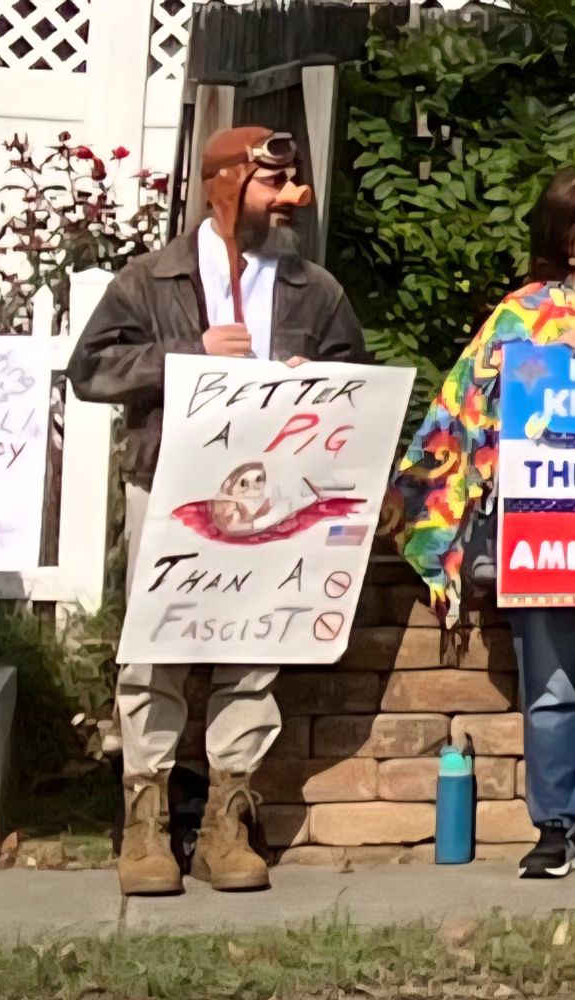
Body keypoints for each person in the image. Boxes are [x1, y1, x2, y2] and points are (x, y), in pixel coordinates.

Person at [66, 125, 372, 896]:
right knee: (153, 650)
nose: (288, 199)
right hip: (169, 486)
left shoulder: (314, 288)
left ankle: (224, 824)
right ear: (225, 184)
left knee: (252, 646)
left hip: (274, 494)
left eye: (292, 182)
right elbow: (90, 370)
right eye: (272, 184)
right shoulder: (152, 279)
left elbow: (354, 375)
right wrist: (182, 357)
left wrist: (314, 380)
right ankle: (146, 824)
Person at [393, 165, 575, 880]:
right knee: (553, 689)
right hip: (545, 530)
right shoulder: (518, 318)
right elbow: (458, 419)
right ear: (564, 240)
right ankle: (556, 828)